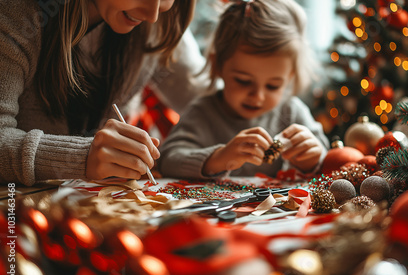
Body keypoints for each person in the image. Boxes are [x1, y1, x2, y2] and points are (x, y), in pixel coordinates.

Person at [0, 0, 202, 186]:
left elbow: (206, 96)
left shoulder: (162, 25)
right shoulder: (16, 14)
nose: (152, 15)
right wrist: (81, 157)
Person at [159, 0, 330, 179]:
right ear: (217, 65)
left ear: (289, 77)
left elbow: (328, 162)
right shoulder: (203, 113)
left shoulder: (292, 112)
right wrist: (219, 158)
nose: (258, 97)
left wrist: (312, 161)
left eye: (273, 86)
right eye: (243, 81)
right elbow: (168, 161)